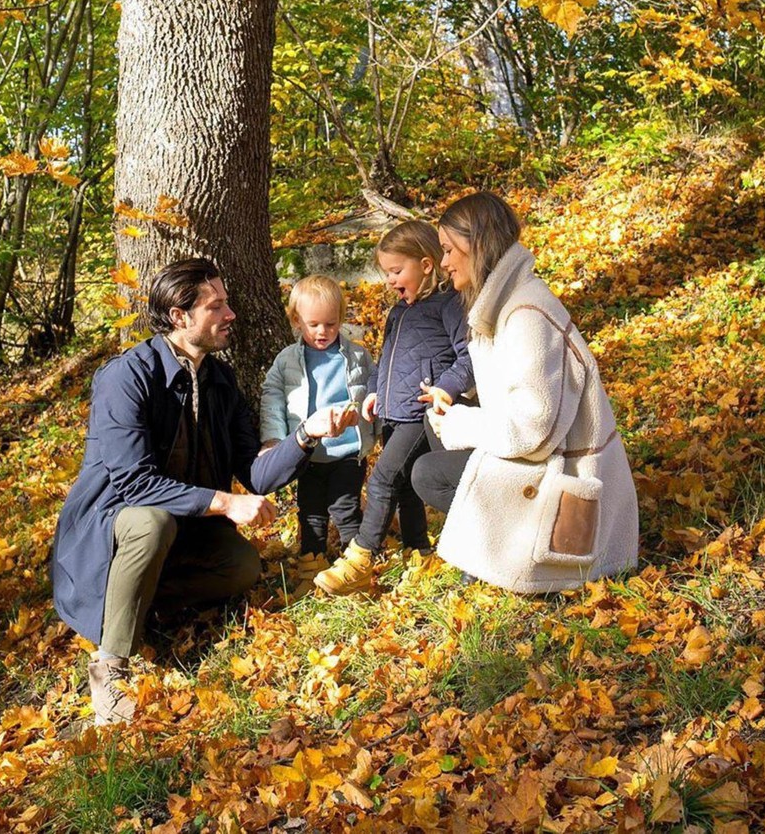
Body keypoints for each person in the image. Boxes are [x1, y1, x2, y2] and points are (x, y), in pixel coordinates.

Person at [50, 258, 356, 725]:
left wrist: (306, 436)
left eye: (227, 302)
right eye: (217, 306)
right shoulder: (126, 378)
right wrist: (224, 502)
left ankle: (137, 604)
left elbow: (255, 474)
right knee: (151, 521)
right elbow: (134, 484)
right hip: (109, 529)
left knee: (242, 567)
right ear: (180, 317)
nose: (231, 314)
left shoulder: (218, 379)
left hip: (184, 528)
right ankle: (110, 668)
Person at [412, 191, 639, 591]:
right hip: (544, 454)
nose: (444, 263)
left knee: (427, 473)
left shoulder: (525, 315)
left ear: (476, 245)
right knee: (437, 428)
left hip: (563, 477)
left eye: (449, 250)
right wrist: (457, 411)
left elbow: (534, 431)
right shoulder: (505, 304)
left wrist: (465, 423)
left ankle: (500, 554)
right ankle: (487, 547)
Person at [314, 221, 474, 595]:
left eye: (396, 271)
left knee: (384, 477)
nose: (389, 280)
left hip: (423, 413)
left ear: (426, 264)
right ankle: (418, 550)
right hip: (391, 411)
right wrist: (373, 391)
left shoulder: (448, 305)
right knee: (404, 488)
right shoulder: (398, 312)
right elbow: (385, 360)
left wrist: (444, 390)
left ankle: (360, 558)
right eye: (386, 272)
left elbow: (469, 357)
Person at [259, 275, 375, 582]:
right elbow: (272, 399)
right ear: (297, 320)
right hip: (308, 453)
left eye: (331, 324)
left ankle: (356, 562)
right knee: (310, 509)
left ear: (340, 320)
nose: (322, 332)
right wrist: (273, 438)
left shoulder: (357, 355)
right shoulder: (287, 360)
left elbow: (375, 389)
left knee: (346, 505)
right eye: (314, 325)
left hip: (347, 450)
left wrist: (375, 420)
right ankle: (311, 560)